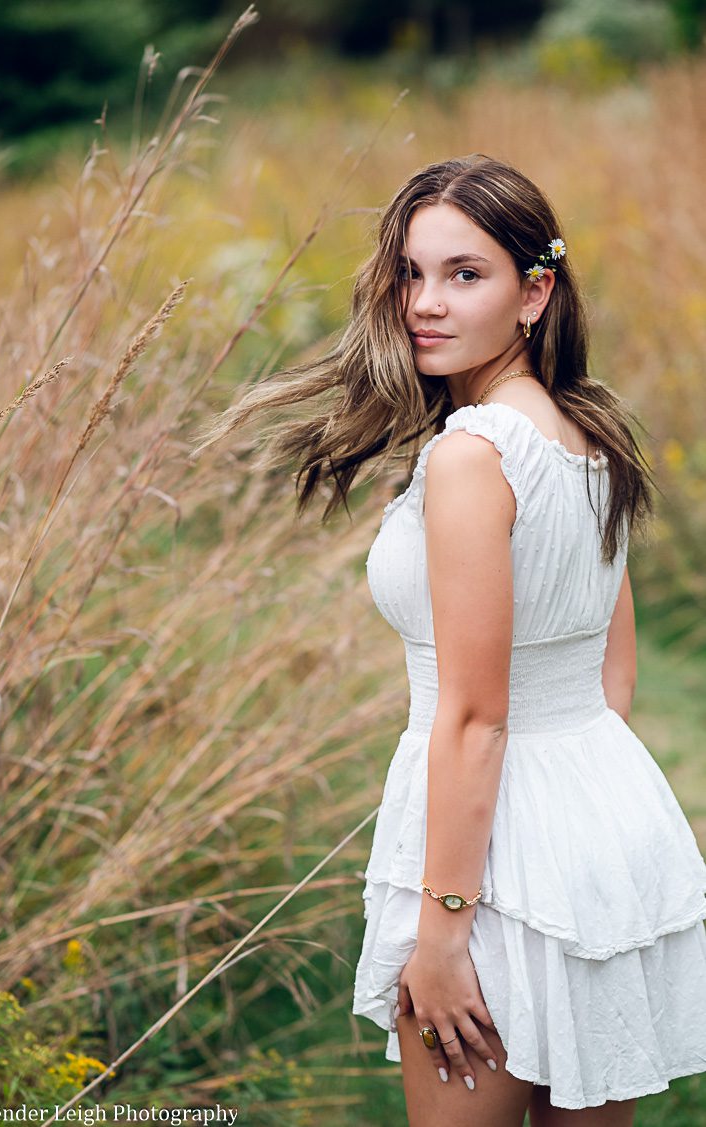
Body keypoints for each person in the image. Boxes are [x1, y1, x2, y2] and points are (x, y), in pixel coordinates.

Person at [191, 154, 706, 1125]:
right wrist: (576, 828)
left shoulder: (473, 457)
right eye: (412, 272)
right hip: (602, 824)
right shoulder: (593, 437)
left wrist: (441, 933)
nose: (425, 302)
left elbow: (474, 717)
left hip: (490, 858)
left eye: (465, 274)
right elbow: (614, 671)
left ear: (534, 293)